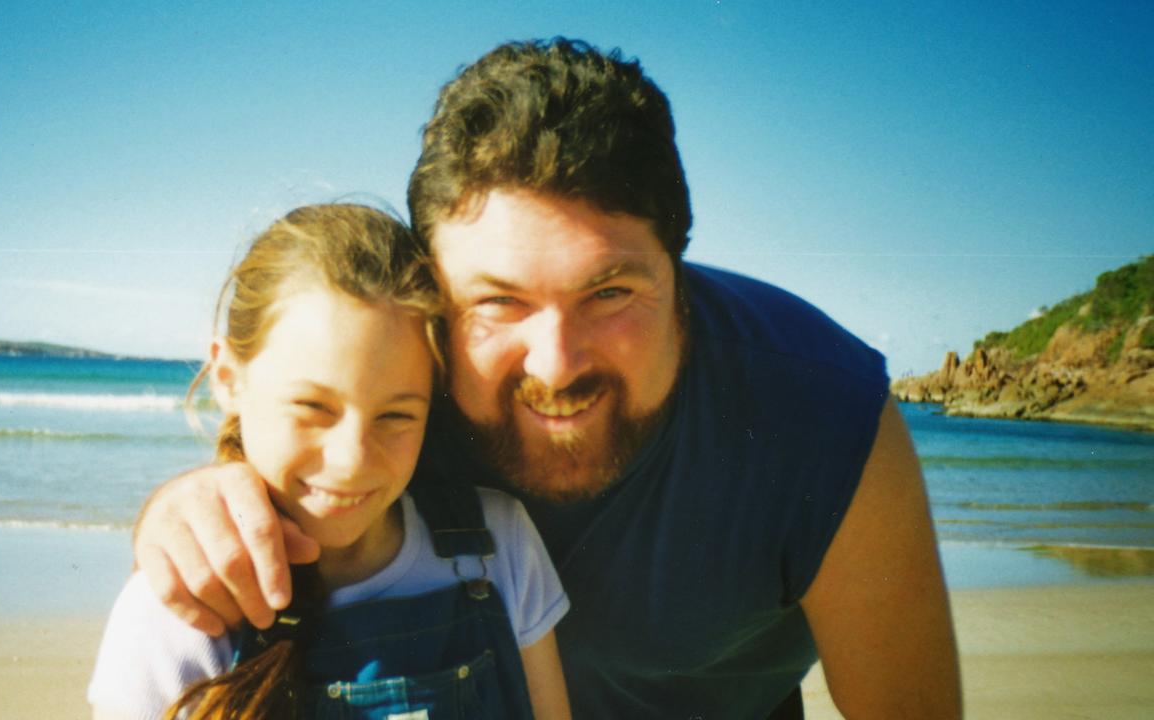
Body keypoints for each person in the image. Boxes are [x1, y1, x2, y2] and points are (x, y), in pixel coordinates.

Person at [133, 40, 962, 719]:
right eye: (499, 301)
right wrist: (196, 499)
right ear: (435, 298)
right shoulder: (409, 382)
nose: (556, 362)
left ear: (681, 274)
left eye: (609, 293)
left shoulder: (817, 413)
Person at [89, 204, 572, 719]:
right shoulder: (181, 608)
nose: (351, 460)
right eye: (313, 408)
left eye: (395, 415)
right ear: (228, 379)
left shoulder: (500, 545)